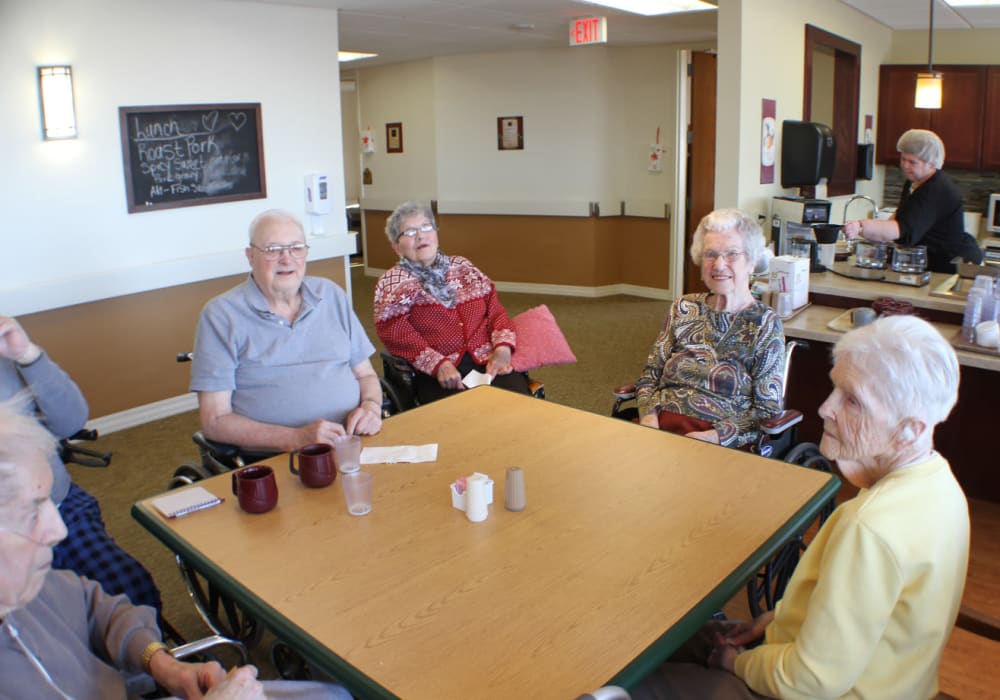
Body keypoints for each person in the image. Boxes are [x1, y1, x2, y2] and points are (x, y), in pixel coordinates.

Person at [632, 315, 969, 699]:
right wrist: (777, 618)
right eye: (835, 390)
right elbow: (865, 610)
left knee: (626, 684)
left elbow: (809, 682)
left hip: (815, 690)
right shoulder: (940, 484)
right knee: (657, 638)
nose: (825, 408)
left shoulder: (871, 528)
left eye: (853, 400)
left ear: (910, 429)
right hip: (892, 683)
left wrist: (734, 663)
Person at [0, 399, 351, 700]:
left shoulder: (32, 588)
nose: (58, 529)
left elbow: (95, 608)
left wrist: (160, 661)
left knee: (333, 694)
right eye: (32, 512)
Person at [0, 315, 161, 612]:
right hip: (8, 533)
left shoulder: (6, 353)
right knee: (45, 616)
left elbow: (72, 422)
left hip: (57, 505)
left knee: (130, 588)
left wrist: (27, 355)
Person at [191, 209, 382, 453]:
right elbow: (215, 421)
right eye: (273, 249)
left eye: (296, 247)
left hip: (353, 439)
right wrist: (297, 438)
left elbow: (366, 375)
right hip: (280, 456)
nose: (287, 258)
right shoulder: (221, 315)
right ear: (250, 256)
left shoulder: (331, 295)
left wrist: (371, 407)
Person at [634, 208, 785, 448]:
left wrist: (716, 436)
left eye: (732, 254)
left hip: (719, 440)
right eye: (710, 254)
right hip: (659, 425)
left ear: (752, 261)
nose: (719, 264)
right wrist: (648, 415)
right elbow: (650, 375)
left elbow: (767, 410)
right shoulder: (683, 307)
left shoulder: (765, 322)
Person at [373, 201, 530, 404]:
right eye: (410, 232)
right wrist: (439, 365)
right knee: (460, 419)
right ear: (396, 246)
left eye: (426, 227)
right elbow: (395, 332)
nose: (421, 236)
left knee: (520, 406)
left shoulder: (463, 266)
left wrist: (502, 349)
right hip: (436, 372)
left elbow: (495, 311)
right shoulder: (392, 282)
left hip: (489, 360)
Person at [843, 128, 983, 273]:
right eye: (903, 159)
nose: (905, 165)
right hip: (926, 261)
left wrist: (860, 225)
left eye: (912, 162)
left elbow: (901, 230)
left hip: (946, 265)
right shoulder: (914, 182)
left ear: (931, 164)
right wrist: (873, 233)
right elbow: (899, 217)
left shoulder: (935, 190)